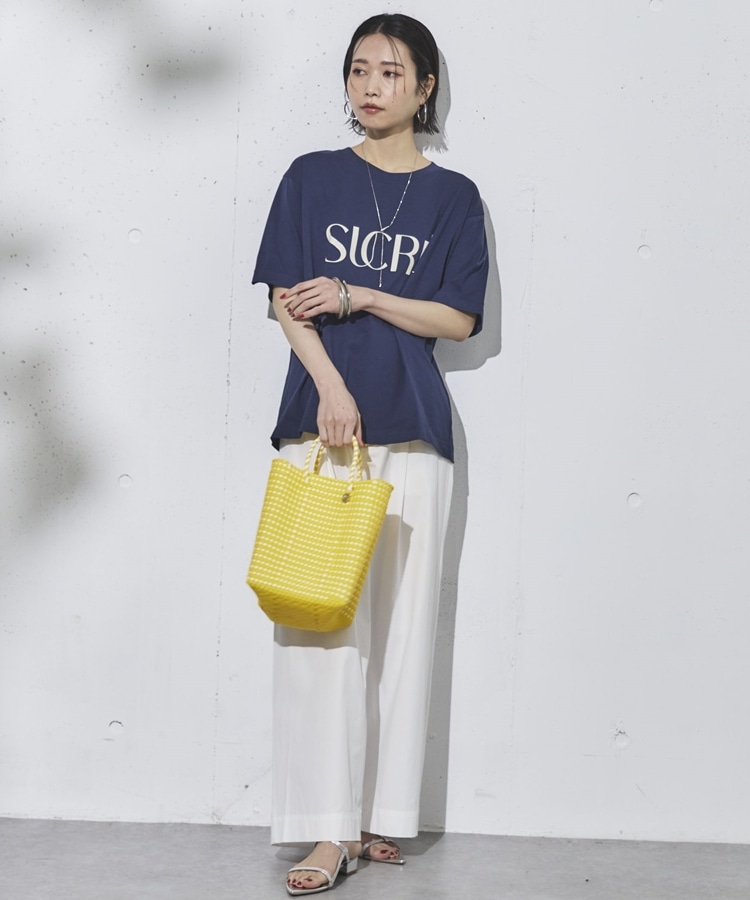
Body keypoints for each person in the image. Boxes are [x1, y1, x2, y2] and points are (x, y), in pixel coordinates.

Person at [252, 12, 489, 896]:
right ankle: (324, 829)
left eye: (391, 71)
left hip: (417, 430)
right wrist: (330, 386)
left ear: (424, 88)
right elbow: (284, 300)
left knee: (401, 633)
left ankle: (373, 816)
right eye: (359, 69)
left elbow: (456, 320)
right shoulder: (311, 177)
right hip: (326, 428)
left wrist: (364, 294)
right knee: (319, 630)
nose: (370, 85)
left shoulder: (454, 197)